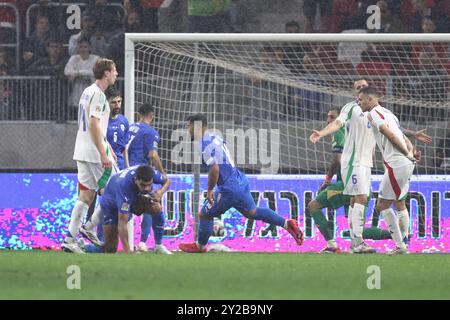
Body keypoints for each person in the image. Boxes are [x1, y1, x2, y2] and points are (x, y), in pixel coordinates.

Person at [178, 114, 304, 253]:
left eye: (188, 126)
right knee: (252, 212)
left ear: (197, 126)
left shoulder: (203, 144)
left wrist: (209, 190)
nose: (187, 129)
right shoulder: (215, 136)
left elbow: (214, 169)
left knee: (205, 214)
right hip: (239, 179)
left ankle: (200, 246)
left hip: (228, 188)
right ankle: (287, 223)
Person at [310, 79, 377, 254]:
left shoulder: (378, 113)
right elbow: (338, 124)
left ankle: (398, 239)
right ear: (355, 93)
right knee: (358, 203)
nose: (362, 89)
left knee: (356, 207)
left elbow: (391, 131)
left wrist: (409, 145)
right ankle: (360, 243)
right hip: (353, 167)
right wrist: (322, 132)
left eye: (364, 86)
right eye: (358, 87)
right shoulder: (350, 109)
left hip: (362, 168)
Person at [61, 58, 118, 254]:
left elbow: (95, 127)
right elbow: (93, 123)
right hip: (94, 153)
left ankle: (70, 239)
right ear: (106, 73)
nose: (116, 74)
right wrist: (104, 153)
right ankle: (89, 227)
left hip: (82, 149)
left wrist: (108, 146)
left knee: (86, 195)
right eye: (114, 70)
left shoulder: (87, 91)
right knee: (116, 190)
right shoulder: (99, 96)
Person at [358, 86, 421, 254]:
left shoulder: (373, 115)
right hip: (405, 163)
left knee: (382, 205)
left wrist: (407, 154)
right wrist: (411, 150)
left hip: (397, 164)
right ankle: (404, 241)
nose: (359, 102)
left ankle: (400, 246)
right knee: (399, 202)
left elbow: (392, 136)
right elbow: (402, 135)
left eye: (361, 99)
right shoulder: (388, 113)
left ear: (370, 99)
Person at [84, 165, 171, 254]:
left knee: (156, 207)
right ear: (136, 179)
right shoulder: (124, 187)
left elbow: (167, 181)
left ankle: (159, 246)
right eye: (143, 185)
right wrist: (128, 251)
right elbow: (122, 222)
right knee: (110, 249)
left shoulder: (151, 173)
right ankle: (84, 247)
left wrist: (160, 192)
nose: (146, 188)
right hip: (111, 204)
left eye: (149, 185)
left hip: (134, 197)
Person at [127, 103, 170, 253]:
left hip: (124, 172)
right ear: (152, 116)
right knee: (151, 205)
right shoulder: (150, 131)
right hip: (141, 173)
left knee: (116, 207)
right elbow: (152, 154)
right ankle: (144, 243)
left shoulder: (130, 127)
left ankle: (103, 240)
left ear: (139, 114)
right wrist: (162, 172)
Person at [64, 36, 101, 119]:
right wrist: (86, 74)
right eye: (81, 47)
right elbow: (67, 71)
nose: (83, 49)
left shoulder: (96, 58)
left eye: (85, 47)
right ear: (77, 48)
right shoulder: (74, 59)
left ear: (90, 47)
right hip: (77, 94)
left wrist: (78, 73)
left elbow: (96, 72)